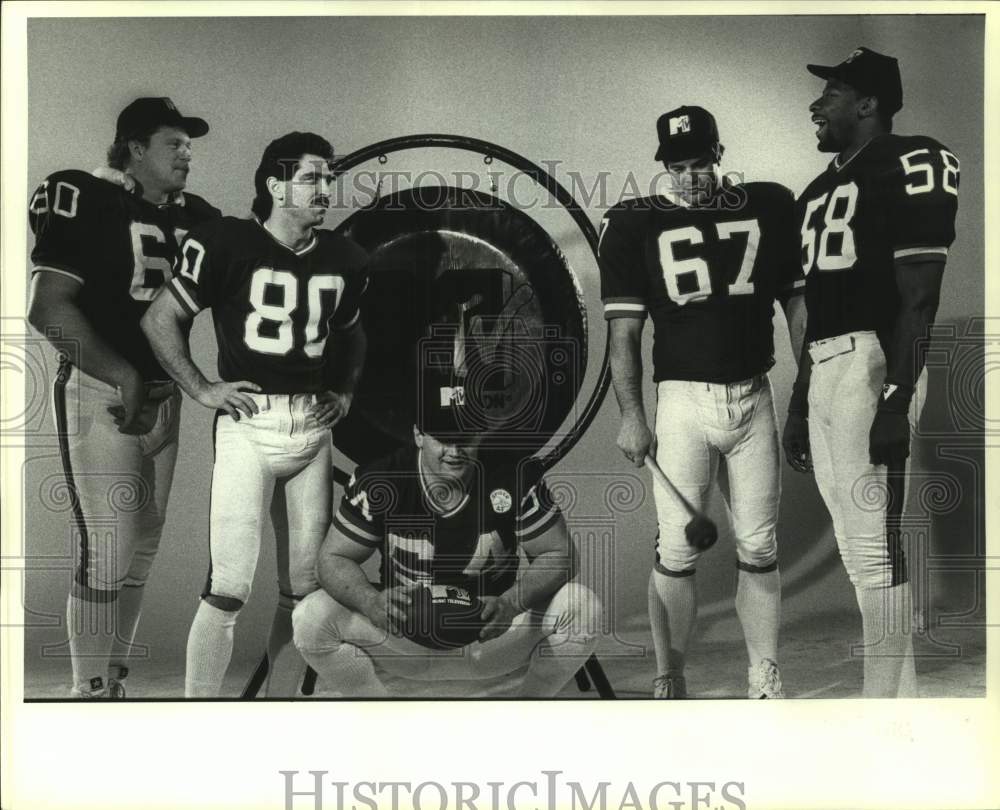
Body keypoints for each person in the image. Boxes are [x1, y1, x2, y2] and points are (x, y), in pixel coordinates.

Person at [141, 131, 369, 697]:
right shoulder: (225, 241)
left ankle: (280, 711)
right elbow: (159, 319)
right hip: (249, 425)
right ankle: (201, 723)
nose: (326, 188)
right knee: (229, 586)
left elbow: (353, 334)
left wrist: (343, 388)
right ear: (275, 183)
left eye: (329, 177)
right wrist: (201, 388)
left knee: (306, 590)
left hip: (312, 432)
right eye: (312, 177)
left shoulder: (344, 256)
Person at [600, 105, 806, 699]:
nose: (690, 175)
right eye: (677, 165)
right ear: (664, 166)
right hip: (683, 400)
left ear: (720, 155)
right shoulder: (635, 224)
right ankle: (671, 674)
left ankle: (764, 672)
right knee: (676, 546)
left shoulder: (766, 205)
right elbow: (624, 334)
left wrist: (808, 390)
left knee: (760, 543)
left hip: (754, 392)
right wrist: (632, 416)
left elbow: (795, 305)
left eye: (699, 162)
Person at [26, 97, 219, 698]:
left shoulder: (201, 216)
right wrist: (123, 375)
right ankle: (87, 691)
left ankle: (111, 677)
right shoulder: (87, 196)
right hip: (102, 391)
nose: (187, 153)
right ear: (135, 147)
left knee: (143, 545)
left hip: (165, 396)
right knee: (108, 545)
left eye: (190, 145)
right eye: (173, 143)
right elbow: (48, 306)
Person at [783, 48, 959, 697]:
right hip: (827, 365)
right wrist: (801, 402)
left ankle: (881, 708)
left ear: (868, 103)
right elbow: (819, 307)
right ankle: (898, 698)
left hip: (873, 360)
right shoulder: (815, 191)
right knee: (860, 549)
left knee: (876, 545)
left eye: (830, 92)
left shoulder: (910, 161)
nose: (815, 105)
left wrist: (897, 395)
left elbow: (919, 296)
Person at [291, 367, 602, 697]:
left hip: (491, 637)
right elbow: (332, 559)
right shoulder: (382, 479)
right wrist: (370, 601)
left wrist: (512, 601)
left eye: (465, 437)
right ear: (418, 435)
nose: (455, 450)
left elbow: (561, 555)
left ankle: (528, 706)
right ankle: (376, 711)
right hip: (402, 637)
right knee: (311, 617)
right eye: (443, 437)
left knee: (581, 607)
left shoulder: (513, 476)